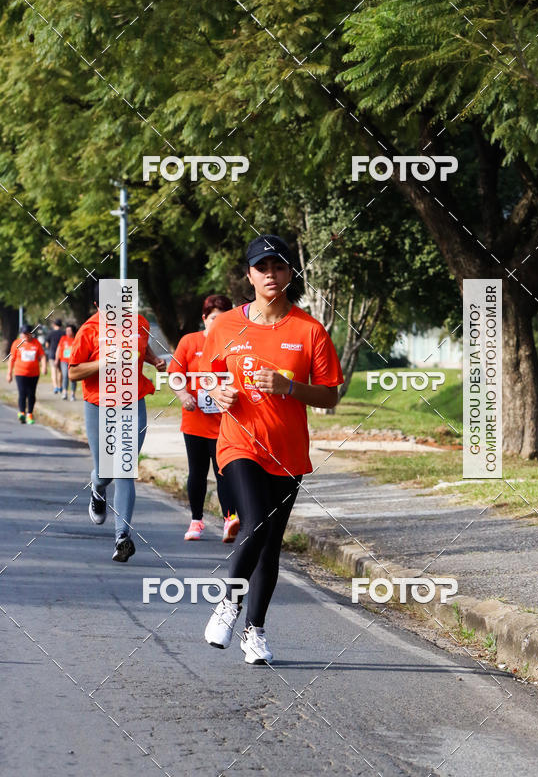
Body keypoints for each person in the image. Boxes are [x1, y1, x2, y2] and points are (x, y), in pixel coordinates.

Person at [203, 235, 343, 664]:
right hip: (238, 443)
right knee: (255, 521)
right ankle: (228, 604)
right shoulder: (226, 325)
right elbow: (210, 378)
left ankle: (255, 631)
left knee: (270, 543)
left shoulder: (308, 330)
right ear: (249, 275)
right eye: (262, 267)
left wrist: (290, 387)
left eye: (278, 267)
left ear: (289, 274)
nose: (270, 275)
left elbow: (330, 395)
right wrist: (218, 393)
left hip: (287, 452)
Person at [68, 282, 166, 563]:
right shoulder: (89, 330)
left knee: (125, 468)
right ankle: (97, 488)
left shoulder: (140, 323)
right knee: (106, 471)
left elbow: (141, 347)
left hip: (133, 401)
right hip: (99, 405)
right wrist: (104, 362)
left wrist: (154, 360)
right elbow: (74, 372)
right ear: (99, 306)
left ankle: (122, 537)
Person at [168, 294, 239, 543]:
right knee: (197, 472)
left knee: (224, 472)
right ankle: (196, 521)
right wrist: (184, 395)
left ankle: (230, 519)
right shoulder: (190, 341)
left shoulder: (235, 344)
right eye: (213, 319)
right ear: (204, 319)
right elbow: (175, 375)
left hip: (225, 423)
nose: (217, 323)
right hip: (195, 421)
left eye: (222, 319)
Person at [6, 324, 48, 424]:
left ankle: (30, 413)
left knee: (31, 394)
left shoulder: (36, 343)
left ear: (31, 334)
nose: (25, 336)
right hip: (20, 373)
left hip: (34, 374)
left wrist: (44, 367)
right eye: (23, 334)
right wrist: (9, 373)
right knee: (22, 392)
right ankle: (21, 413)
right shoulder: (17, 343)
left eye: (27, 334)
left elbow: (42, 356)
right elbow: (11, 359)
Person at [55, 324, 77, 400]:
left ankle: (73, 394)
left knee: (72, 377)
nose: (67, 332)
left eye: (69, 330)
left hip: (73, 361)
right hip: (64, 361)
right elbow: (58, 348)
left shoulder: (76, 339)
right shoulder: (63, 338)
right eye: (66, 330)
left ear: (73, 331)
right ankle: (64, 392)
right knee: (65, 376)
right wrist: (56, 359)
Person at [45, 319, 65, 394]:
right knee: (60, 371)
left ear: (54, 325)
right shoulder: (63, 333)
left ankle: (55, 387)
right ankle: (60, 387)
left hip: (52, 354)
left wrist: (50, 348)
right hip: (61, 354)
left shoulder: (50, 333)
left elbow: (47, 345)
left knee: (53, 371)